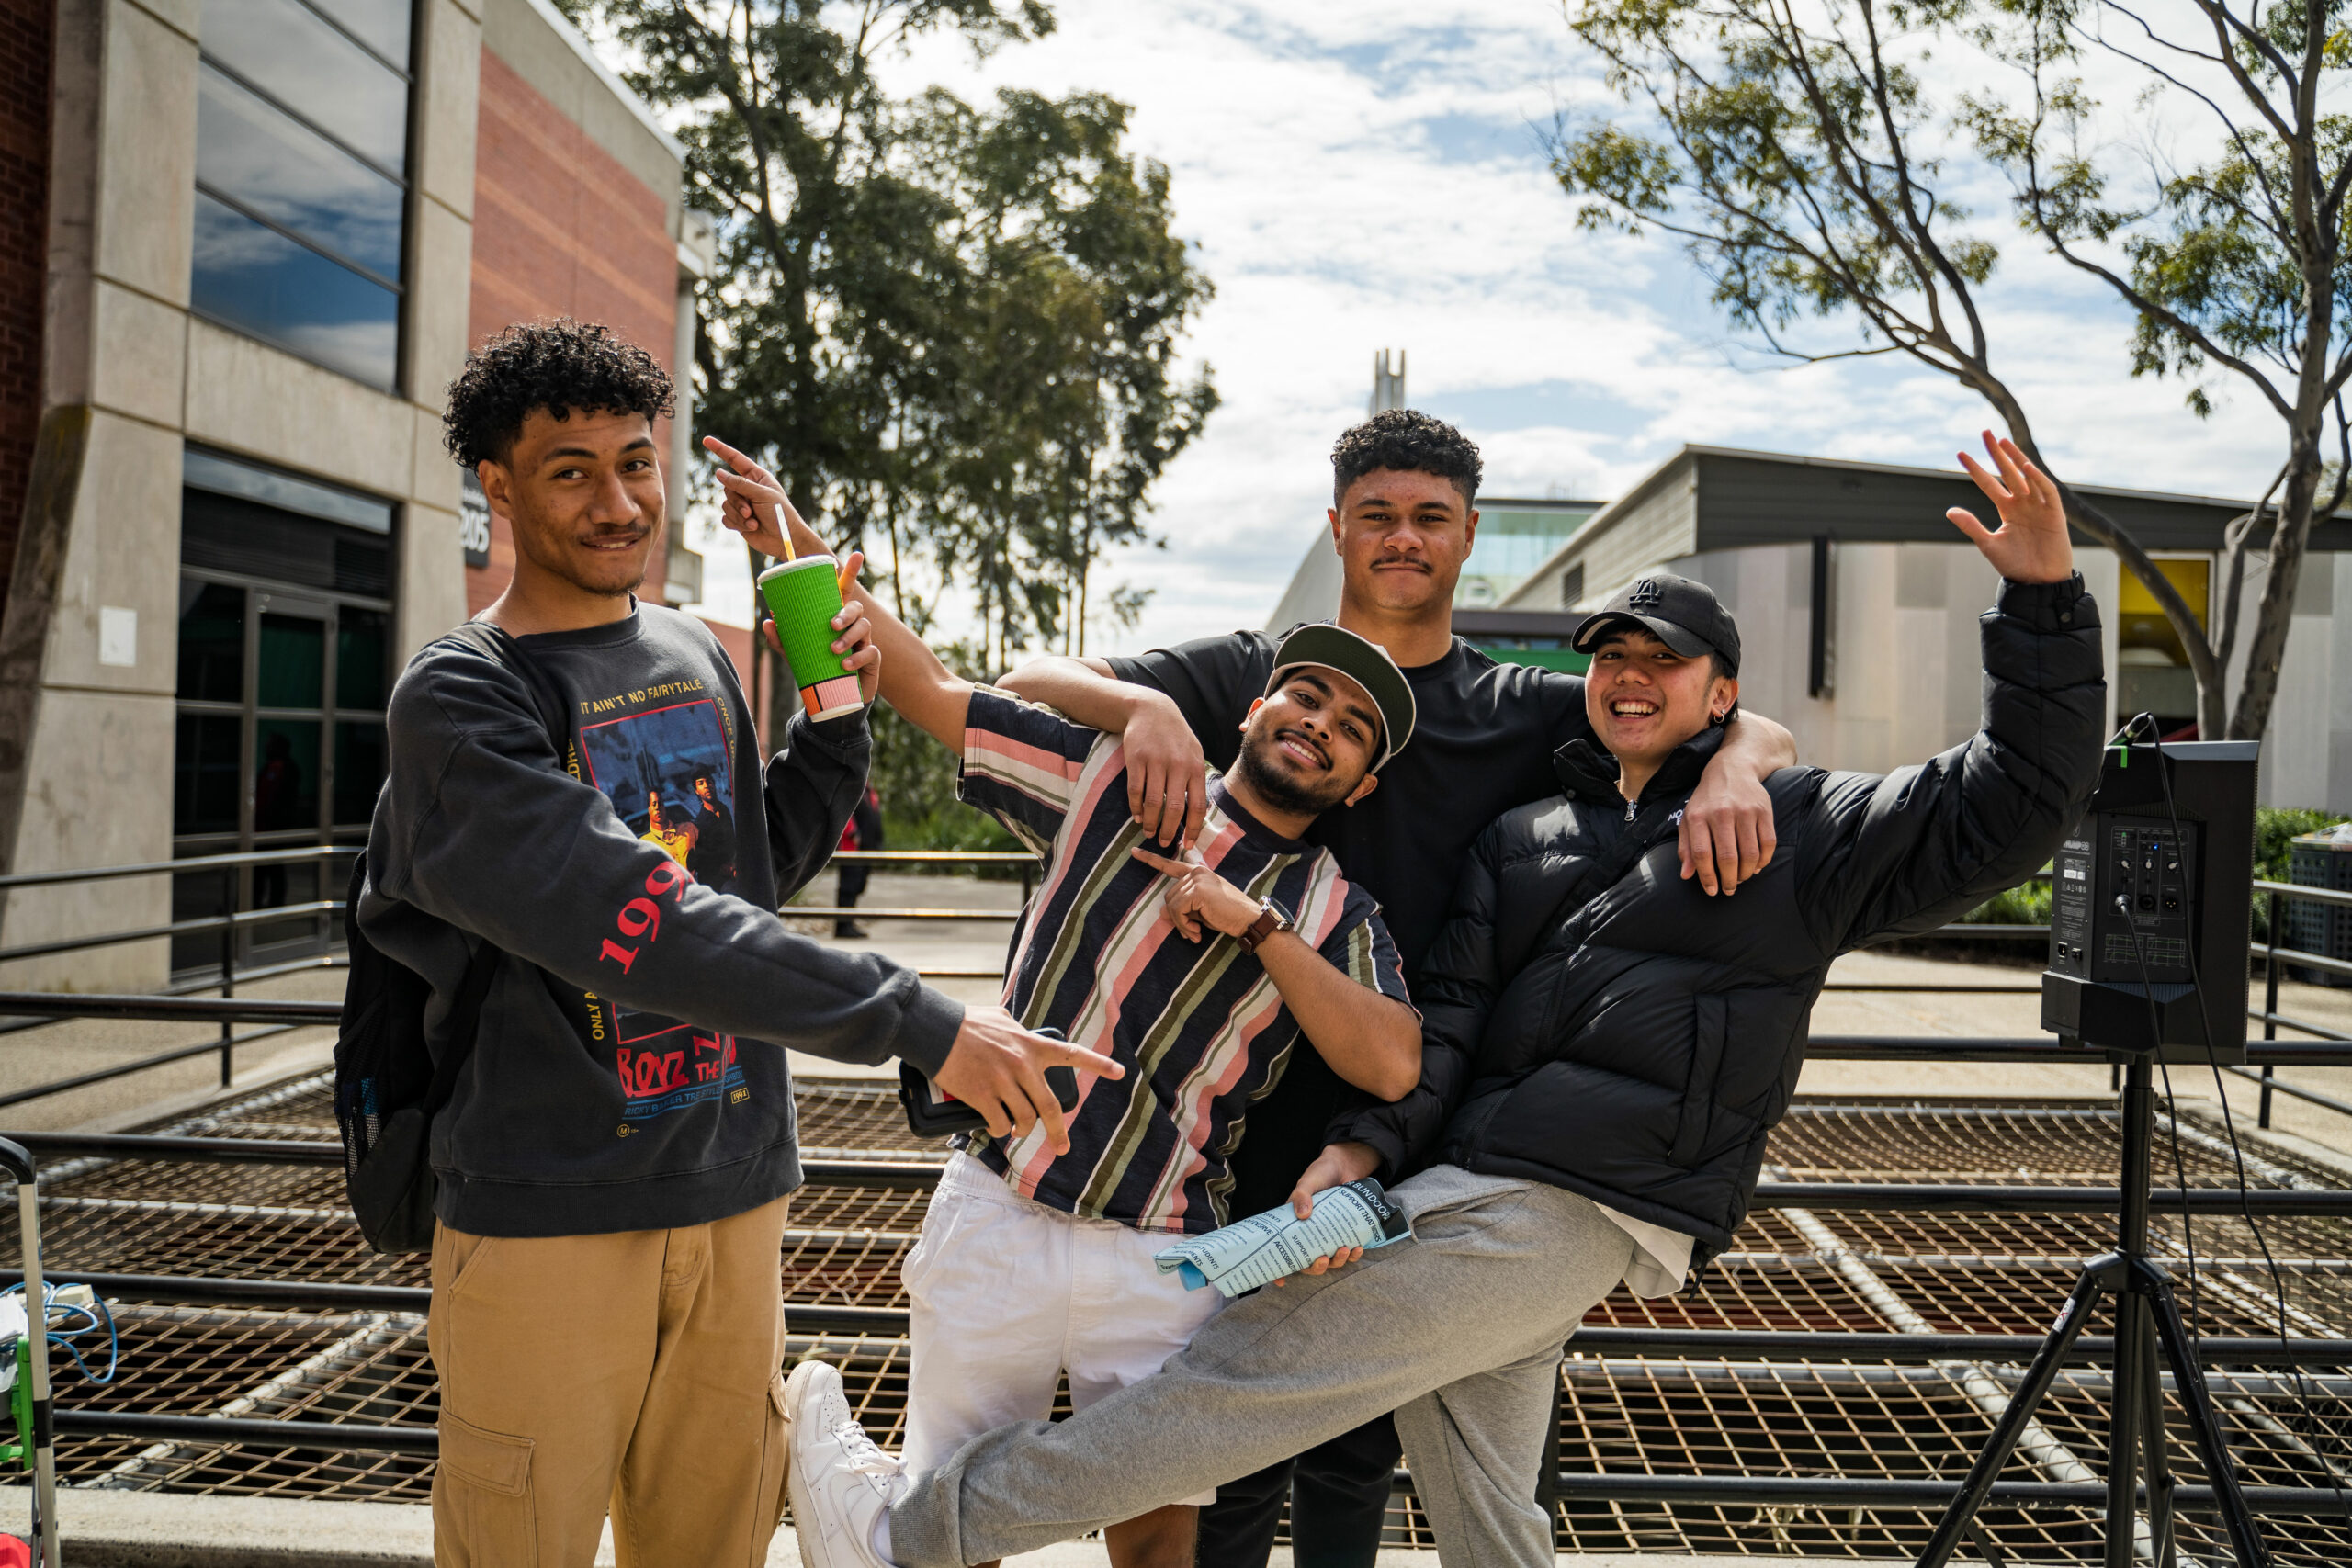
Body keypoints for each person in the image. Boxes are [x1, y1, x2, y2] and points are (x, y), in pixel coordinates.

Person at [783, 433, 2107, 1568]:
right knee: (1465, 1500)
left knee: (1254, 1398)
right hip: (1369, 1166)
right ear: (1334, 533)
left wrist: (2013, 615)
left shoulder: (1755, 814)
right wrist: (1138, 706)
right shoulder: (1507, 825)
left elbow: (1993, 803)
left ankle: (905, 1533)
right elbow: (1457, 1019)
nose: (1632, 677)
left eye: (1669, 662)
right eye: (1615, 655)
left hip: (1535, 1192)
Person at [356, 320, 1114, 1568]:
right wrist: (919, 1019)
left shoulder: (690, 647)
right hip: (547, 1204)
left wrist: (835, 704)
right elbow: (637, 916)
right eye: (571, 471)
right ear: (498, 485)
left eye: (636, 464)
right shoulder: (460, 695)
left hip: (732, 1188)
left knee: (712, 1546)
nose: (618, 502)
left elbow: (746, 872)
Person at [989, 407, 1798, 1564]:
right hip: (1223, 1124)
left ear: (1468, 533)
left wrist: (1737, 768)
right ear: (1336, 528)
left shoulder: (1522, 705)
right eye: (1376, 515)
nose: (1402, 538)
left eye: (1429, 517)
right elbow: (1025, 678)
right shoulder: (1261, 674)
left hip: (1407, 1120)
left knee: (1356, 1454)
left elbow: (1718, 712)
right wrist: (1144, 705)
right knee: (1216, 1445)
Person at [703, 438, 1423, 1568]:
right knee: (947, 1525)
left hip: (1162, 1253)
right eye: (1306, 693)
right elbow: (945, 688)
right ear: (1254, 709)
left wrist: (1256, 927)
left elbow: (1390, 1064)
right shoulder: (1110, 777)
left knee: (1156, 1549)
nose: (1320, 722)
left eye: (1351, 728)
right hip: (999, 1207)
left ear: (1361, 780)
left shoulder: (1334, 907)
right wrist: (795, 541)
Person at [834, 784, 883, 938]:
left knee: (858, 886)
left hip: (867, 849)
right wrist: (852, 832)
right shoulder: (852, 787)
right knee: (848, 888)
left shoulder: (869, 792)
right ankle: (843, 926)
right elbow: (844, 813)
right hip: (852, 848)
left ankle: (849, 923)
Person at [686, 770, 737, 892]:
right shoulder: (700, 824)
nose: (706, 786)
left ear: (714, 784)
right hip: (717, 883)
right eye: (701, 783)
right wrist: (728, 869)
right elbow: (705, 864)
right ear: (697, 791)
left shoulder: (724, 809)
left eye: (709, 781)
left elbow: (732, 843)